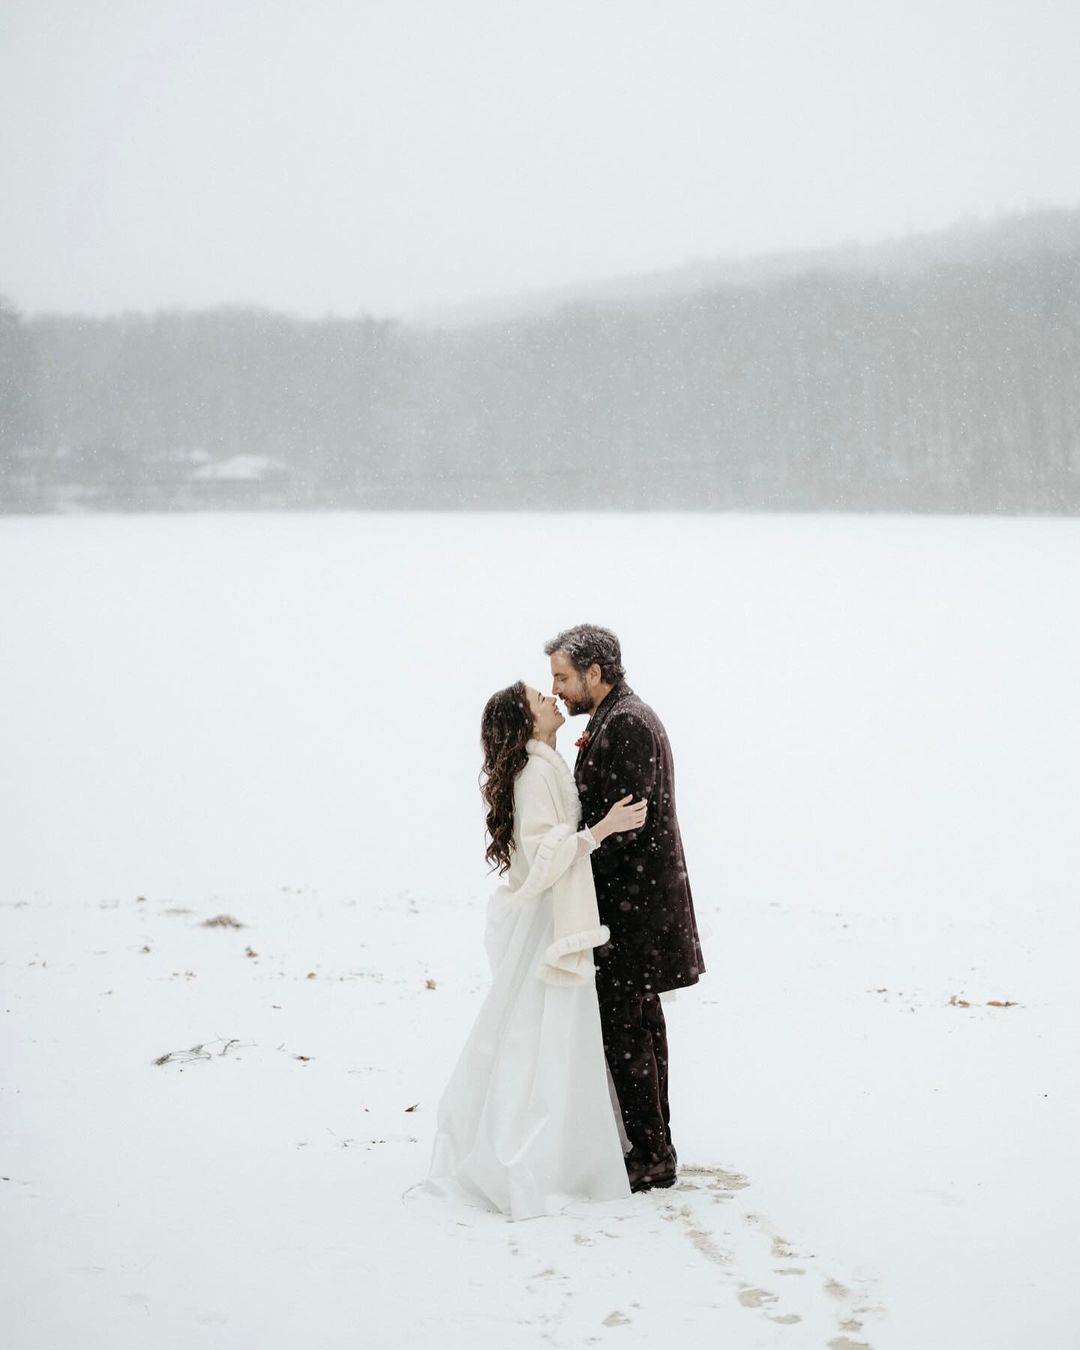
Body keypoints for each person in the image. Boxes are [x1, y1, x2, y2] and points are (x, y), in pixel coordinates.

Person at [426, 682, 649, 1219]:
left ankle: (568, 1152)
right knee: (536, 1036)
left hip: (559, 918)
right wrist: (602, 830)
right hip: (550, 923)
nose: (552, 698)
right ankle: (534, 1157)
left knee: (550, 1035)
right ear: (525, 722)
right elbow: (543, 853)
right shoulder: (533, 774)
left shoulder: (544, 763)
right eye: (537, 699)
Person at [546, 624, 704, 1193]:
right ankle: (652, 1145)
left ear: (595, 672)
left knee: (629, 1032)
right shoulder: (618, 718)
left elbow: (627, 830)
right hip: (634, 907)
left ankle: (651, 1155)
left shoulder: (629, 724)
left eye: (564, 676)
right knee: (638, 1028)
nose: (558, 689)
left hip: (633, 912)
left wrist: (571, 872)